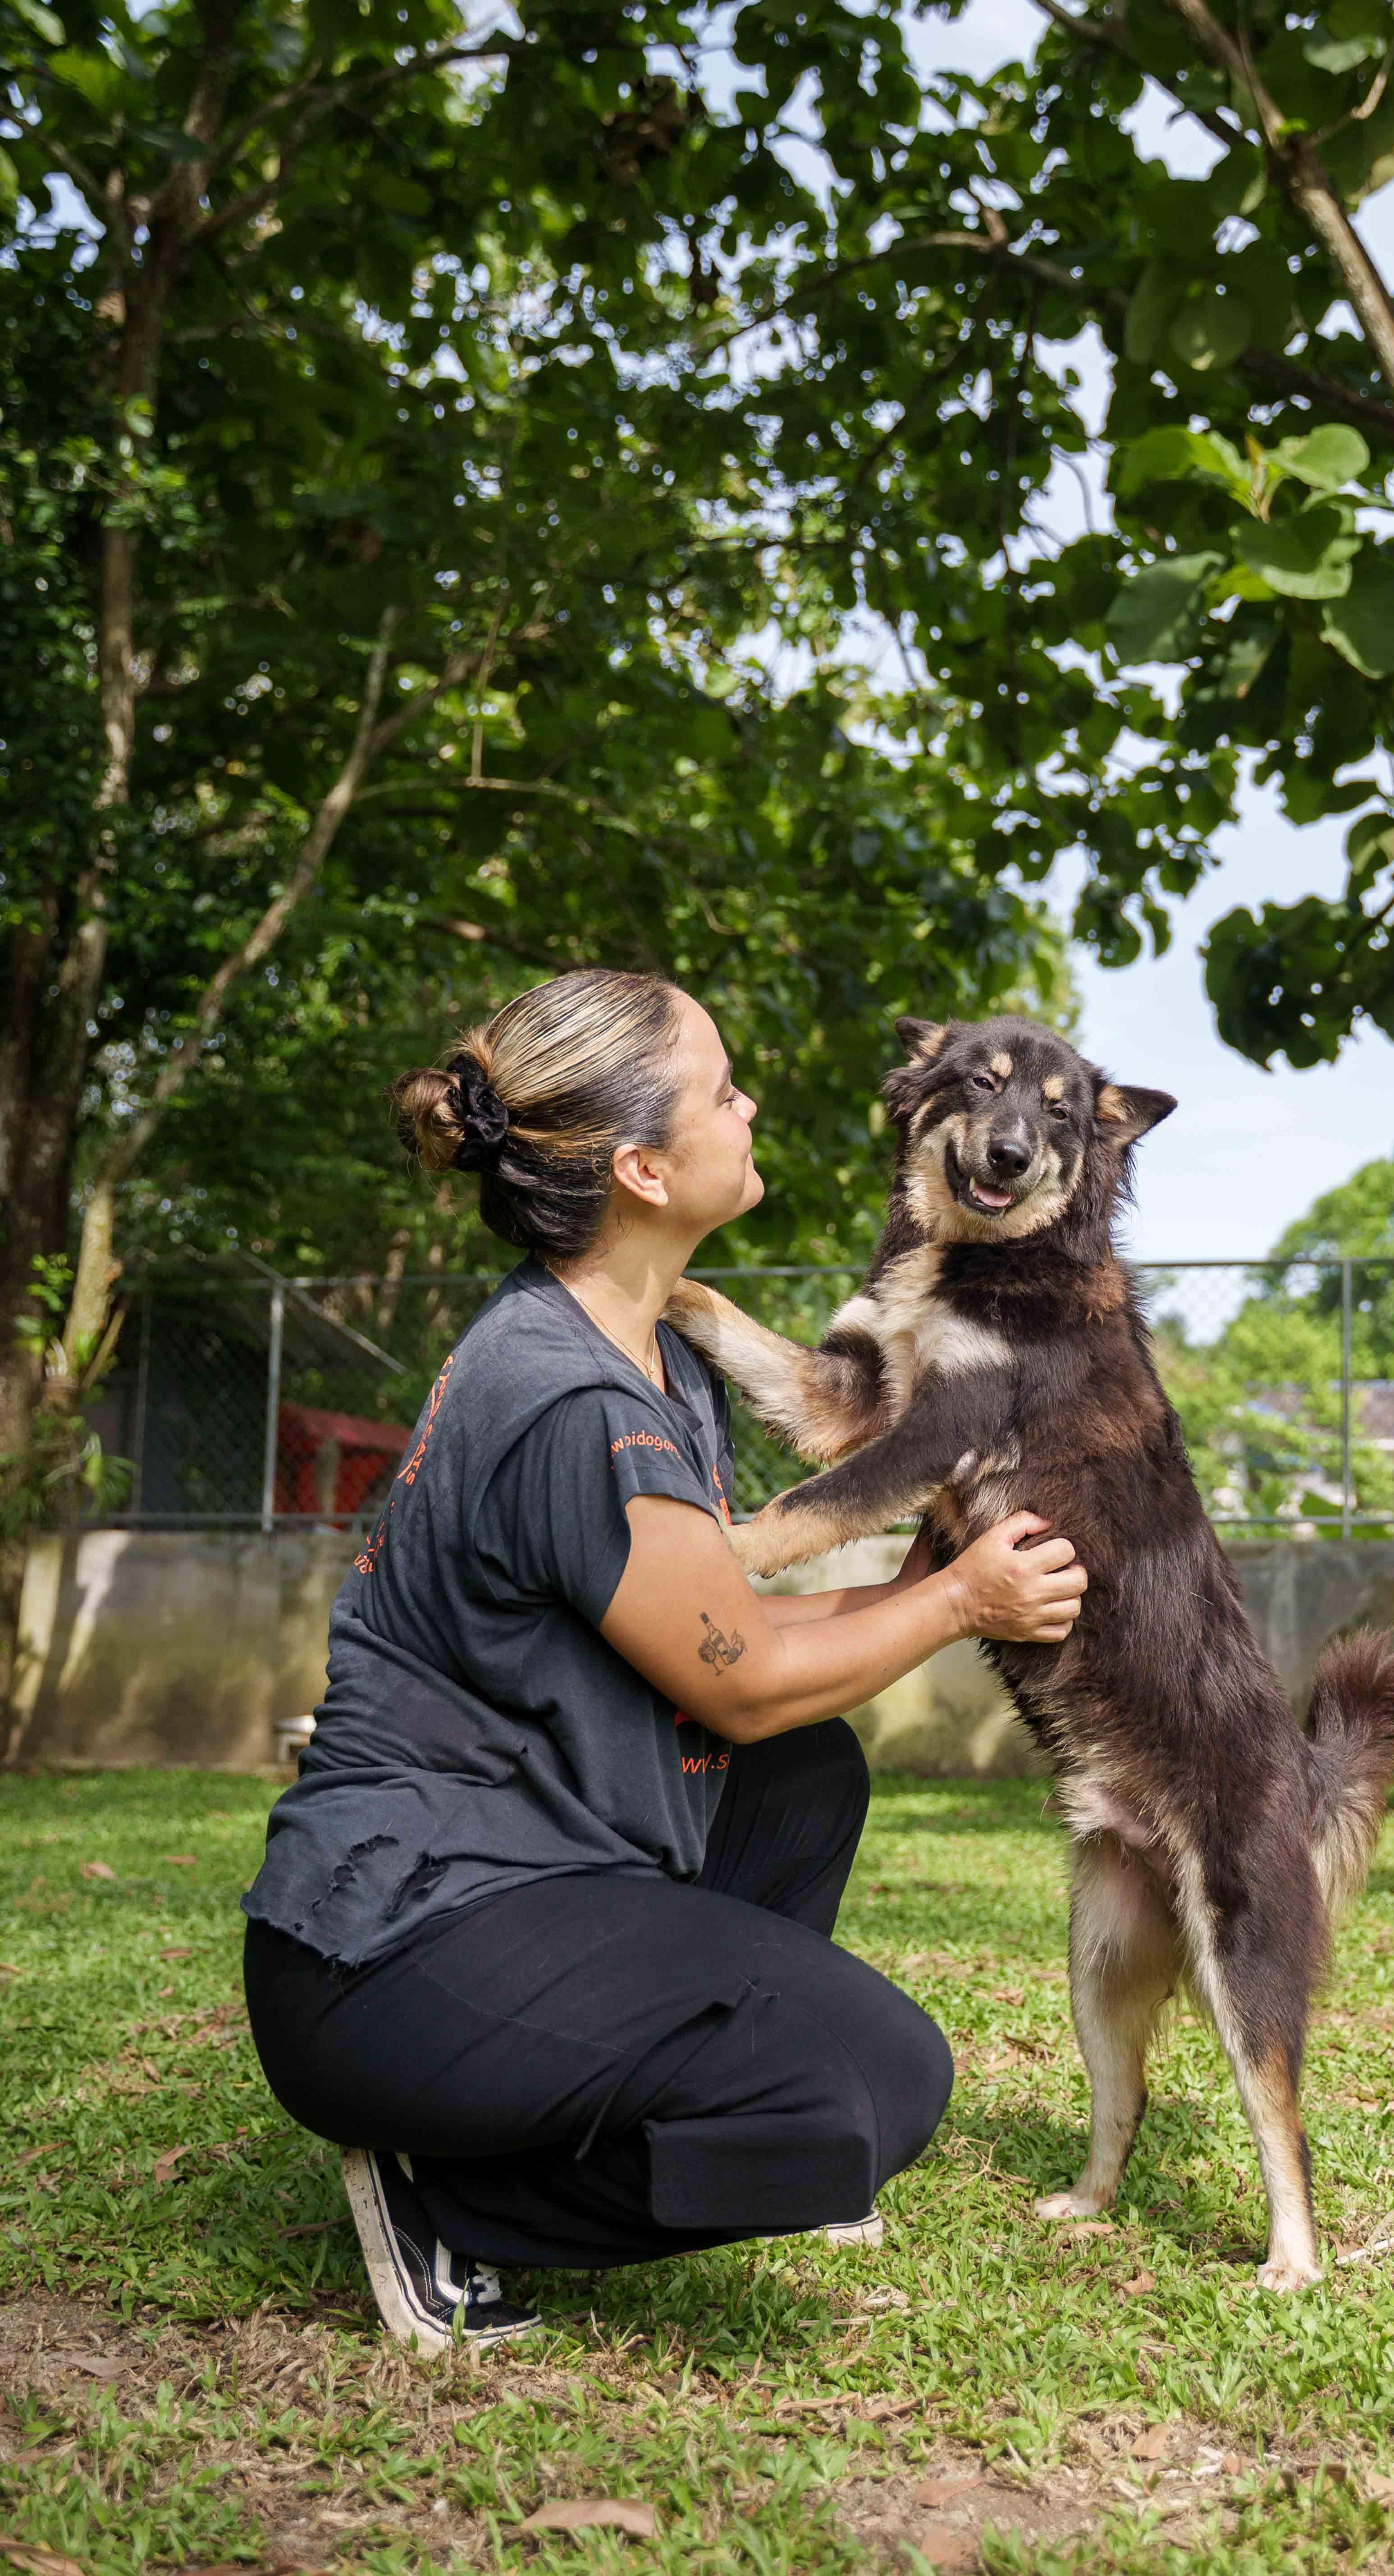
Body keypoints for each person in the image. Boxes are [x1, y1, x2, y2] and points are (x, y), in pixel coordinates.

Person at [241, 969, 1087, 2352]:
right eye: (721, 1089)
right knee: (873, 2088)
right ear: (639, 1166)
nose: (749, 1105)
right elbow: (739, 1672)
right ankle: (455, 2199)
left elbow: (728, 1641)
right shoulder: (569, 1394)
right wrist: (953, 1609)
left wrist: (929, 1579)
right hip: (389, 1951)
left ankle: (659, 2091)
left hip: (500, 1875)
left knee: (801, 1774)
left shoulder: (636, 1355)